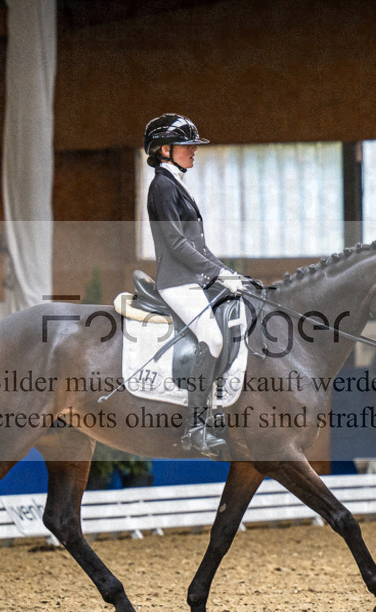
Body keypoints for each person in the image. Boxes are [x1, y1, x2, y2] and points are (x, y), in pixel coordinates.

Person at [143, 113, 246, 459]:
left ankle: (215, 411)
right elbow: (176, 244)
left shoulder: (174, 184)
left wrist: (226, 272)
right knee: (213, 337)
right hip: (176, 281)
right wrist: (217, 275)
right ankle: (196, 428)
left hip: (192, 278)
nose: (193, 151)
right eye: (187, 146)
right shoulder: (161, 186)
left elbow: (199, 246)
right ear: (165, 149)